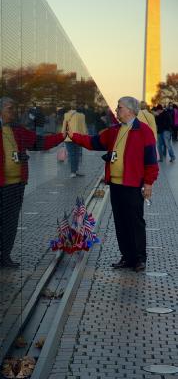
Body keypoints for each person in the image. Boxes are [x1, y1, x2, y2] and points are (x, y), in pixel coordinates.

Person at [67, 96, 159, 272]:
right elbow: (94, 142)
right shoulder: (114, 130)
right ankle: (127, 257)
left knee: (135, 222)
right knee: (121, 222)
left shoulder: (144, 131)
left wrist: (148, 184)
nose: (116, 110)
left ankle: (139, 259)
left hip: (133, 185)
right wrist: (74, 137)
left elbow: (151, 161)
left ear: (130, 110)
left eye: (119, 107)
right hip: (116, 184)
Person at [0, 97, 66, 270]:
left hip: (16, 185)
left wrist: (62, 136)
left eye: (14, 108)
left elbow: (39, 142)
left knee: (11, 222)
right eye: (10, 108)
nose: (13, 111)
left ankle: (6, 257)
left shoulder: (18, 130)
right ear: (0, 111)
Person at [61, 105, 88, 178]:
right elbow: (83, 127)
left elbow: (64, 126)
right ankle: (75, 170)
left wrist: (62, 136)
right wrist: (85, 137)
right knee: (77, 154)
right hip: (78, 137)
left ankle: (73, 172)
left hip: (68, 137)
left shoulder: (66, 115)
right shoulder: (82, 116)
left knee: (71, 154)